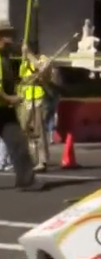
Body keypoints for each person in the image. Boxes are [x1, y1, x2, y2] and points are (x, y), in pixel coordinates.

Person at [0, 22, 38, 189]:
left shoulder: (6, 58)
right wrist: (10, 98)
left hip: (4, 111)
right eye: (6, 35)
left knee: (18, 143)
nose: (10, 39)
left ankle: (26, 180)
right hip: (4, 104)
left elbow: (16, 80)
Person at [18, 40, 50, 172]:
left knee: (39, 130)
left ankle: (42, 160)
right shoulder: (23, 63)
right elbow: (23, 79)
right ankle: (30, 158)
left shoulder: (43, 59)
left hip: (38, 98)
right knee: (24, 129)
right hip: (26, 99)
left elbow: (42, 70)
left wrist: (29, 55)